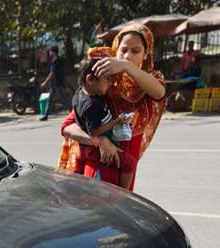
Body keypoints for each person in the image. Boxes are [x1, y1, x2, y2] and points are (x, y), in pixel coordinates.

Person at [57, 23, 167, 191]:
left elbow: (159, 93)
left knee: (121, 206)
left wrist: (127, 67)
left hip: (126, 164)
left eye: (135, 51)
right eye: (123, 50)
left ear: (146, 54)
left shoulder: (150, 81)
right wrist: (99, 140)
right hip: (101, 159)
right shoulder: (103, 82)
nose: (127, 56)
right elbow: (68, 126)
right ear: (116, 50)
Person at [72, 59, 136, 190]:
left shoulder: (81, 93)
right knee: (129, 163)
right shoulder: (91, 105)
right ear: (90, 79)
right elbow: (94, 132)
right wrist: (115, 122)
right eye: (106, 78)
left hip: (84, 148)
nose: (110, 82)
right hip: (99, 148)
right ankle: (124, 193)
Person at [39, 45, 70, 120]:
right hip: (56, 83)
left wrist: (45, 82)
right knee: (50, 100)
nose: (49, 53)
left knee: (64, 99)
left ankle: (75, 111)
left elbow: (52, 73)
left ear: (53, 52)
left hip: (57, 83)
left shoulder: (55, 60)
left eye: (50, 51)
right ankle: (45, 116)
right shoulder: (59, 59)